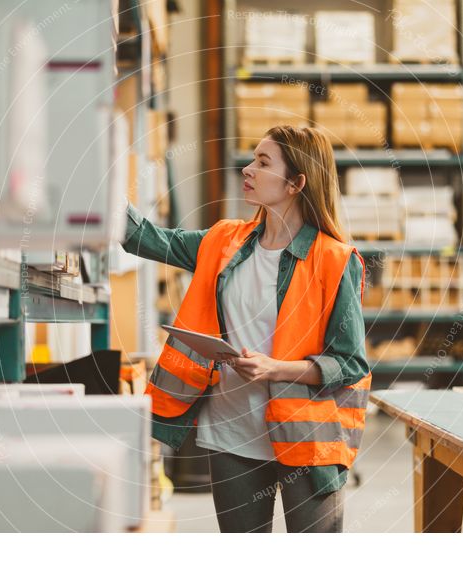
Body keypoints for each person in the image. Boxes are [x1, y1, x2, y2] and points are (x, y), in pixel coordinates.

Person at [120, 125, 371, 533]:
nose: (248, 169)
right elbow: (142, 238)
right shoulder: (223, 241)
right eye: (252, 159)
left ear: (296, 183)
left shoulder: (335, 260)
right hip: (230, 434)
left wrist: (276, 369)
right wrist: (100, 179)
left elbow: (350, 362)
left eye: (263, 162)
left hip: (307, 439)